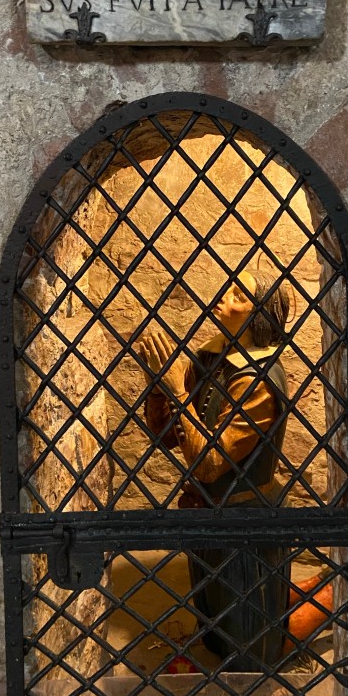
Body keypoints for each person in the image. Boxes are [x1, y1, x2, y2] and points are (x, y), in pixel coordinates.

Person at [138, 270, 291, 671]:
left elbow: (209, 463)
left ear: (259, 315)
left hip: (243, 516)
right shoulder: (211, 356)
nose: (226, 295)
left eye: (240, 295)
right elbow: (168, 436)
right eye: (230, 287)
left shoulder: (257, 380)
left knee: (247, 630)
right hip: (207, 508)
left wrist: (175, 388)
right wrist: (158, 385)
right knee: (213, 616)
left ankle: (252, 670)